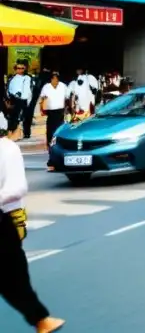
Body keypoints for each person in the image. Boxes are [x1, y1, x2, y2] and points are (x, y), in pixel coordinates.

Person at [0, 115, 65, 331]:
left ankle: (41, 319)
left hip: (7, 217)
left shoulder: (7, 149)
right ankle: (41, 320)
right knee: (12, 276)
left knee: (13, 275)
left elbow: (17, 187)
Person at [6, 64, 33, 142]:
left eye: (22, 68)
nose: (20, 70)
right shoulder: (12, 78)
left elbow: (31, 89)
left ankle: (26, 133)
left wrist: (29, 99)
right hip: (15, 100)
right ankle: (13, 133)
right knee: (14, 117)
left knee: (27, 117)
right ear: (16, 69)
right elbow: (8, 89)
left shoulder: (28, 78)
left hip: (25, 100)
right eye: (19, 68)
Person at [39, 73, 68, 146]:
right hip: (50, 111)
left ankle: (59, 141)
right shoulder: (46, 87)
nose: (55, 80)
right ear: (51, 79)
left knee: (60, 126)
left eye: (57, 79)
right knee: (50, 127)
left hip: (60, 109)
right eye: (54, 78)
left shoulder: (63, 86)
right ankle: (49, 142)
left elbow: (67, 97)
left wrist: (67, 108)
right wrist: (42, 109)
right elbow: (42, 98)